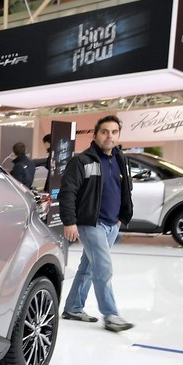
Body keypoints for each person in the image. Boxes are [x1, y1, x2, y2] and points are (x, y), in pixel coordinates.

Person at [59, 115, 135, 333]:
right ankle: (111, 315)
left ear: (118, 135)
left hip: (112, 224)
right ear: (95, 135)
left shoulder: (121, 160)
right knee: (103, 267)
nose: (109, 136)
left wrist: (122, 217)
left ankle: (73, 307)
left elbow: (125, 189)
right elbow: (68, 192)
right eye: (104, 132)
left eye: (114, 132)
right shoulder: (82, 161)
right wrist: (69, 221)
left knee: (88, 266)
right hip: (90, 223)